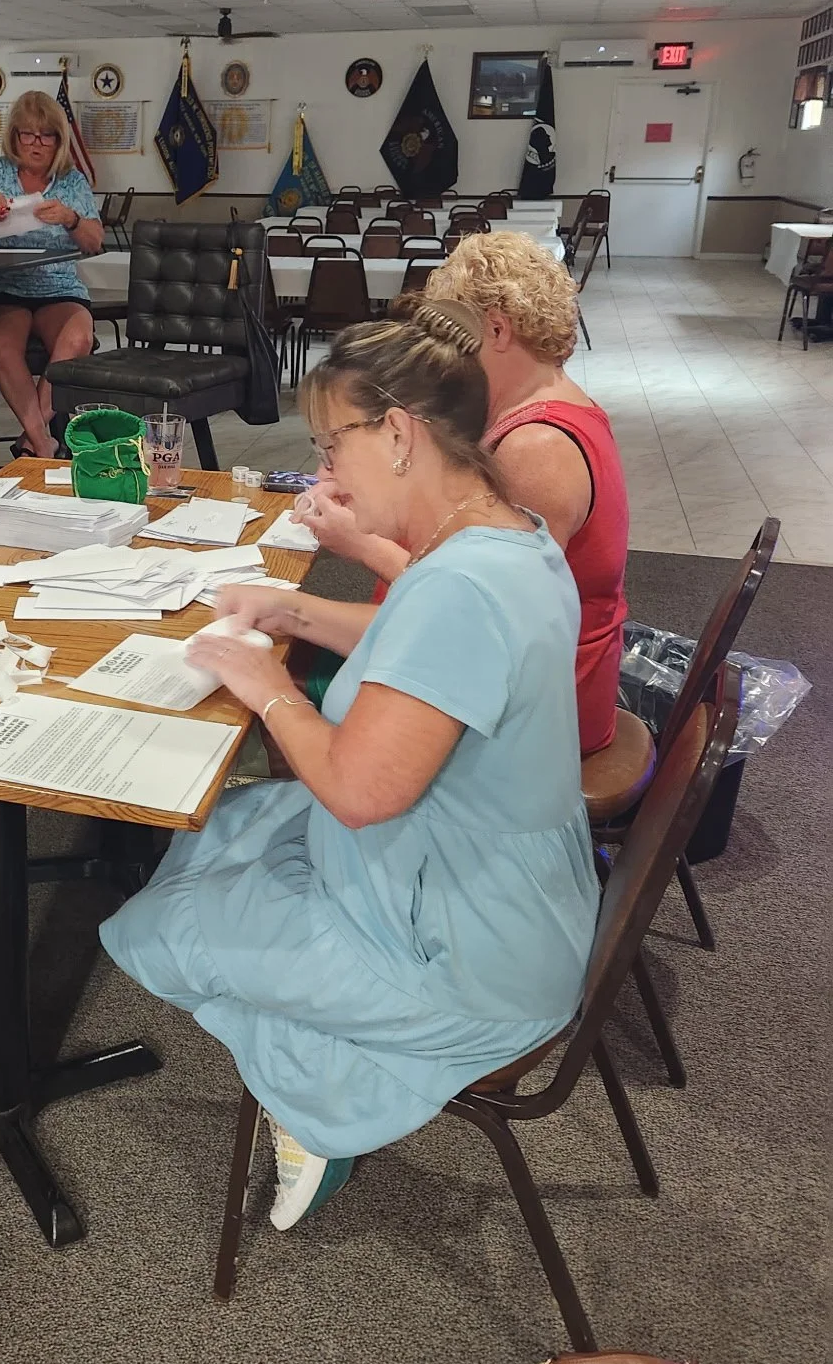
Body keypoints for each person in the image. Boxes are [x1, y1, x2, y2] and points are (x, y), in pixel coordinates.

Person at [100, 302, 598, 1228]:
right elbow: (421, 649)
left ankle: (324, 1094)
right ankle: (335, 1067)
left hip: (471, 954)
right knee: (236, 836)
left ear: (401, 435)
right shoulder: (506, 536)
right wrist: (292, 617)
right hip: (512, 892)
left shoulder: (462, 583)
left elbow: (364, 792)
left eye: (332, 448)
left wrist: (269, 687)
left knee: (172, 917)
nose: (322, 469)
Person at [298, 236, 628, 757]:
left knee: (292, 673)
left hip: (528, 717)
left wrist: (357, 541)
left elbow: (472, 609)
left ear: (497, 329)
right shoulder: (538, 409)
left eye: (451, 340)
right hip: (493, 669)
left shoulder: (534, 448)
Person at [0, 91, 103, 459]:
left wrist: (70, 218)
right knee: (3, 342)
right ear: (14, 136)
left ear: (59, 140)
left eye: (46, 135)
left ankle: (30, 441)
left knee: (79, 336)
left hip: (58, 287)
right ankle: (43, 444)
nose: (36, 144)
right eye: (28, 134)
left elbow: (94, 241)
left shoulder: (72, 181)